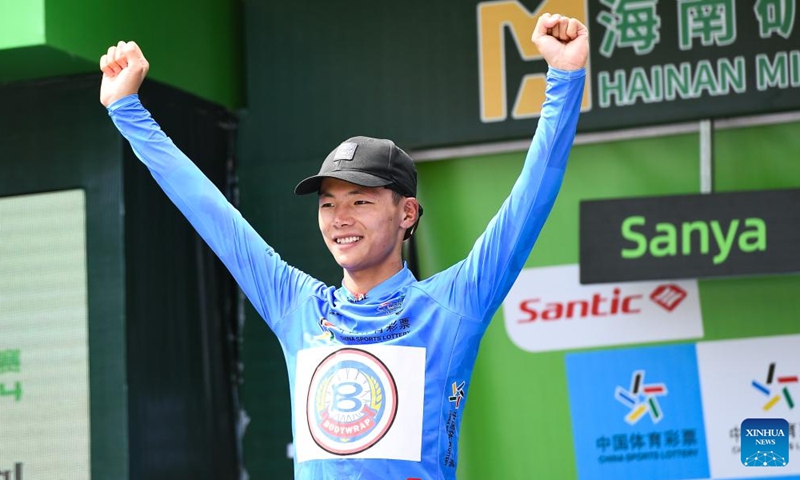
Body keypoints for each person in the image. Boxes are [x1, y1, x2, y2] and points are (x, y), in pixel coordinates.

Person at [99, 12, 588, 480]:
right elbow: (210, 212)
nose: (340, 219)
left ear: (407, 213)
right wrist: (128, 110)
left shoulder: (452, 305)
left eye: (360, 201)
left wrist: (564, 81)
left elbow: (530, 200)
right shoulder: (298, 307)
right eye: (328, 205)